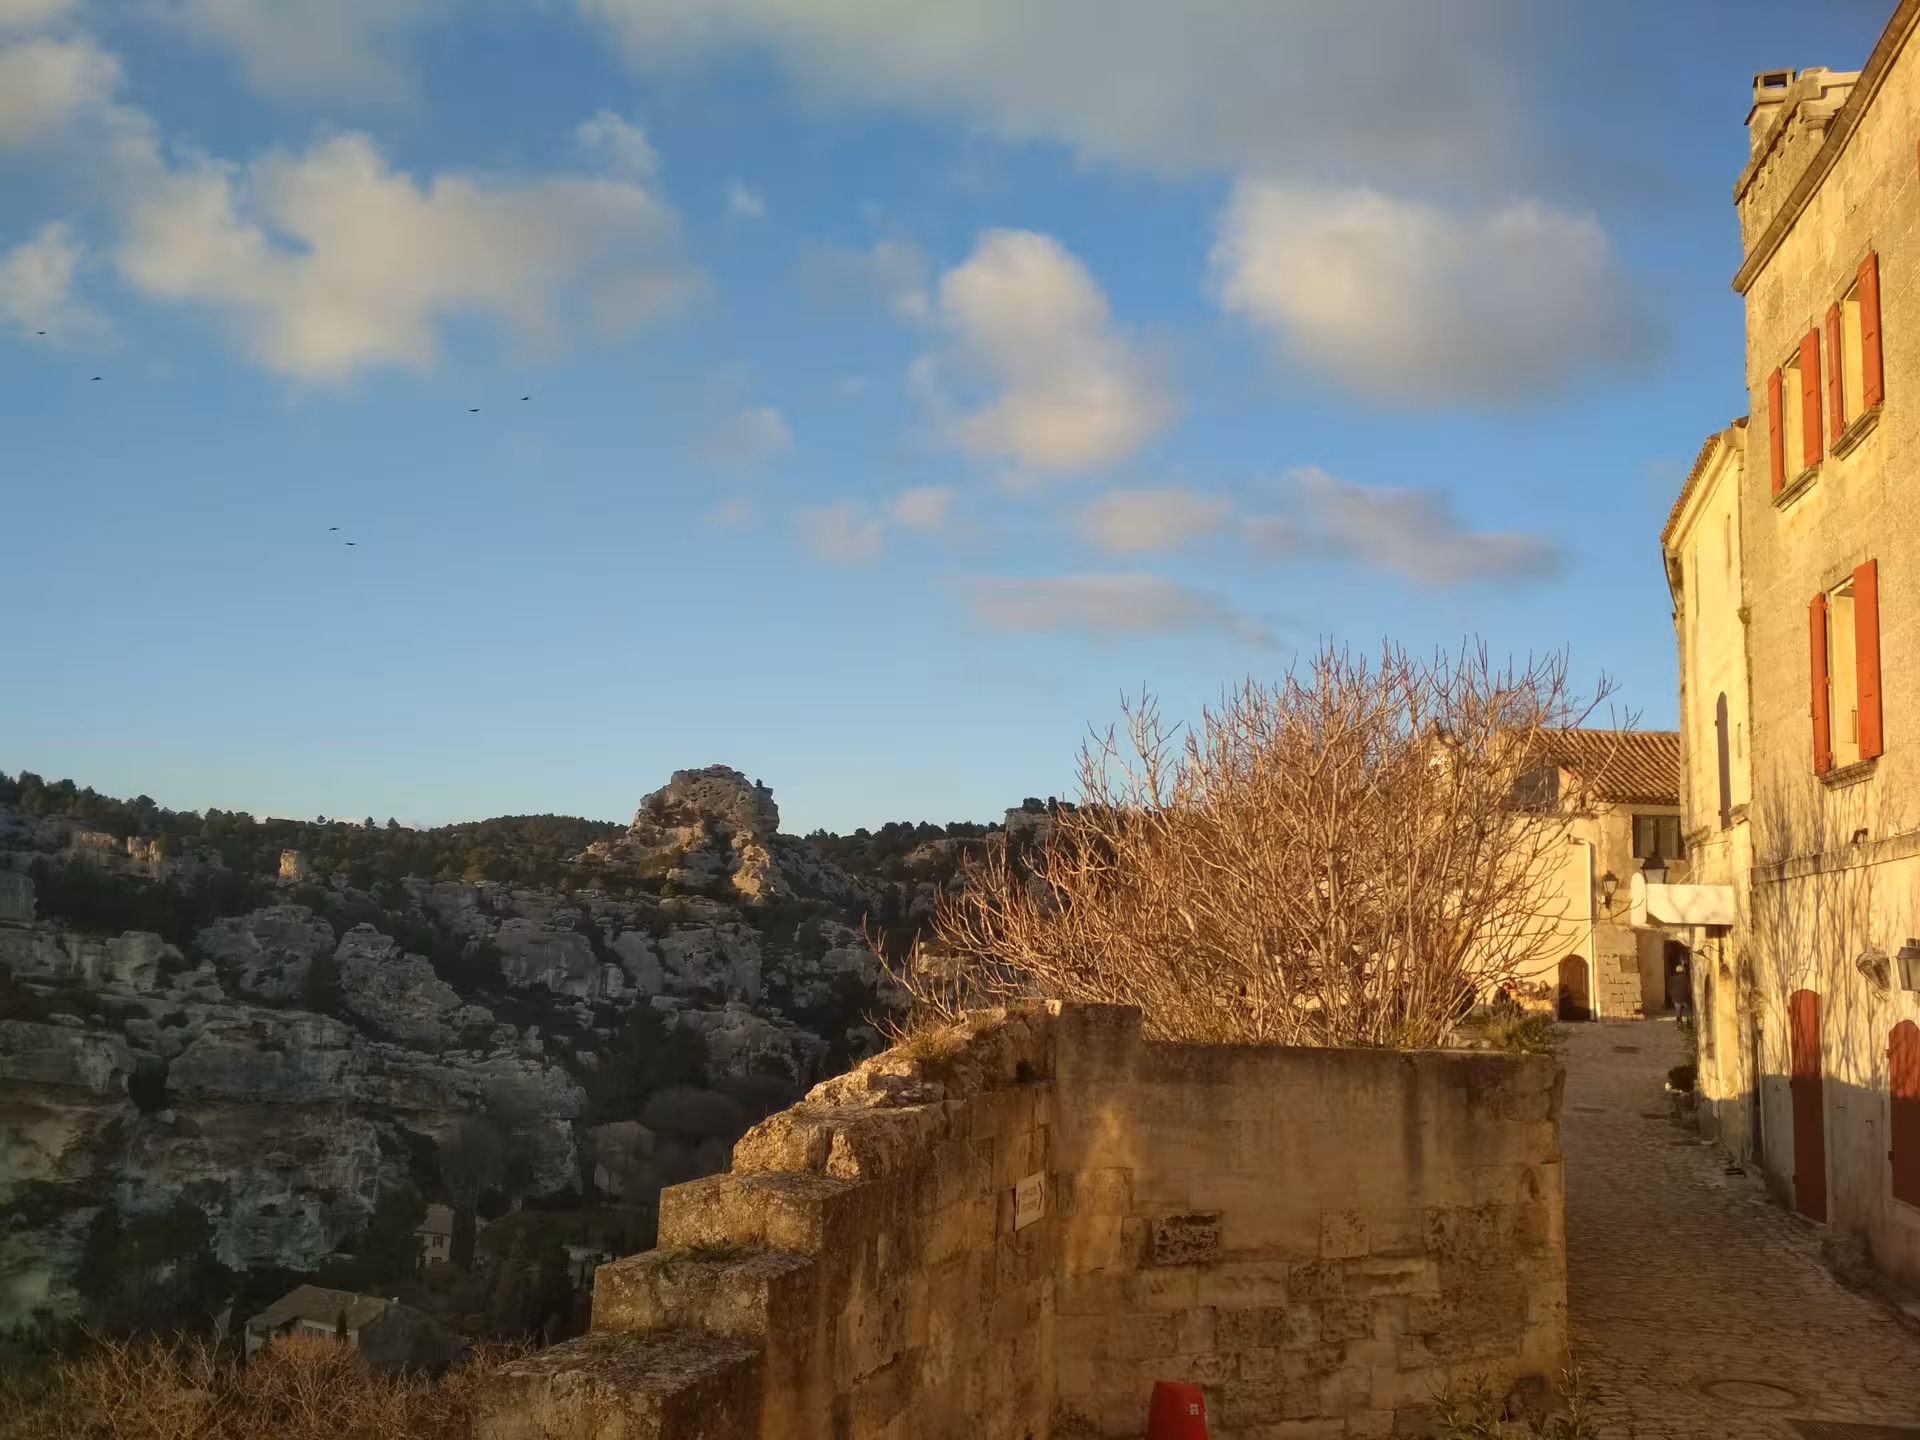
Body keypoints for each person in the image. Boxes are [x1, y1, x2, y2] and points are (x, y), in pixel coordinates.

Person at [1667, 957, 1692, 1022]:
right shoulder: (1686, 978)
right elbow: (1689, 987)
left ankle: (1679, 1020)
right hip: (1684, 996)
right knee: (1688, 1009)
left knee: (1678, 1009)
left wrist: (1671, 994)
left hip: (1675, 997)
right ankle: (1689, 1020)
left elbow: (1669, 987)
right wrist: (1688, 994)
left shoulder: (1672, 978)